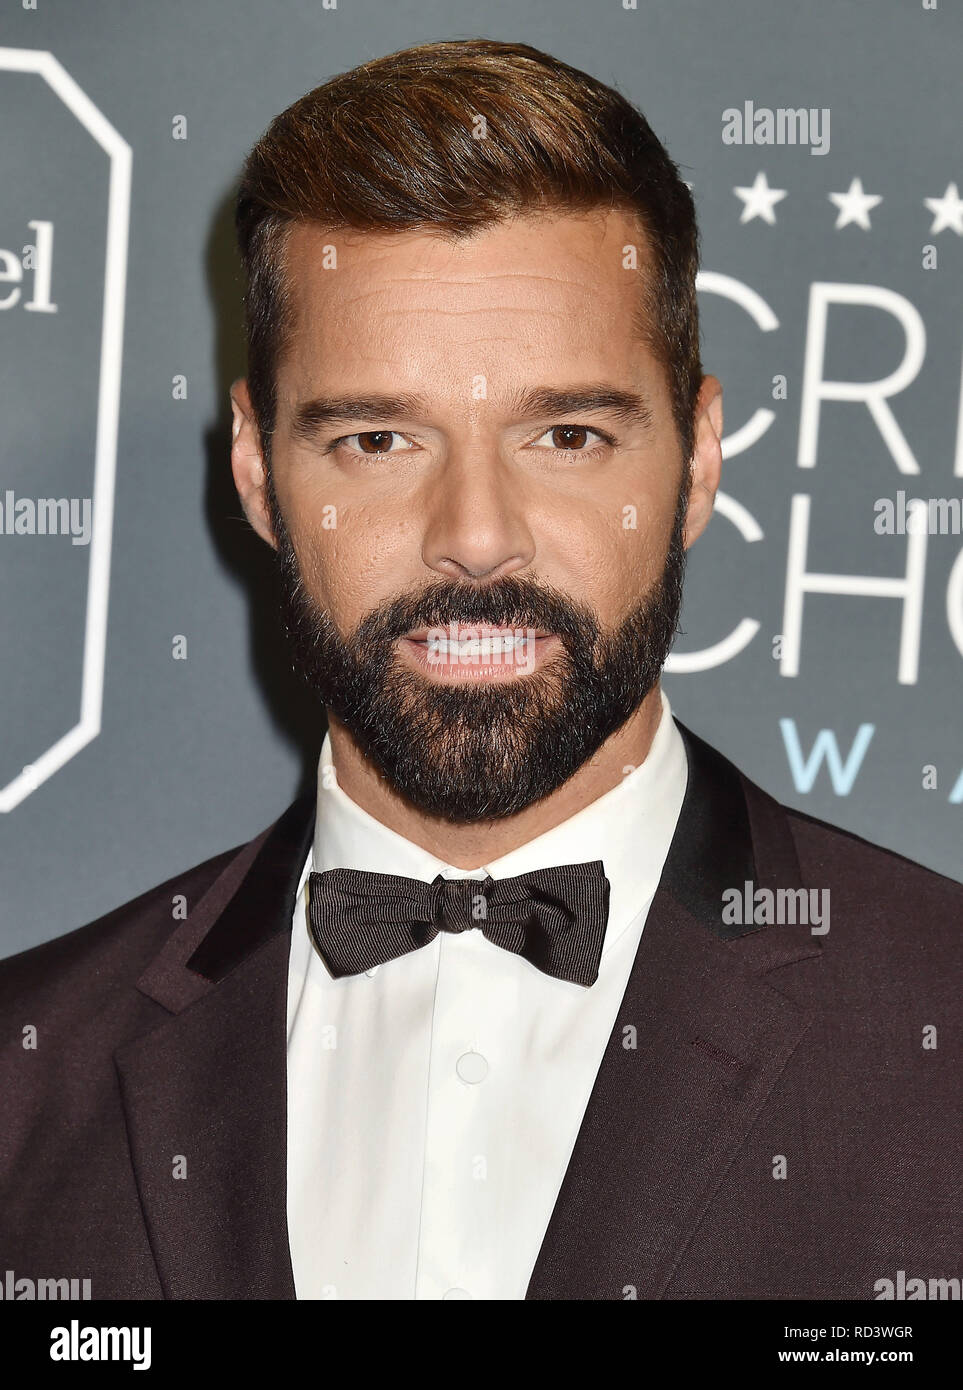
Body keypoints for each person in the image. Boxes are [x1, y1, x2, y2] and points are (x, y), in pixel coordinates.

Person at [0, 39, 959, 1302]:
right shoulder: (29, 1079)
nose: (475, 533)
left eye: (567, 435)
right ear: (254, 468)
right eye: (378, 437)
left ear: (700, 459)